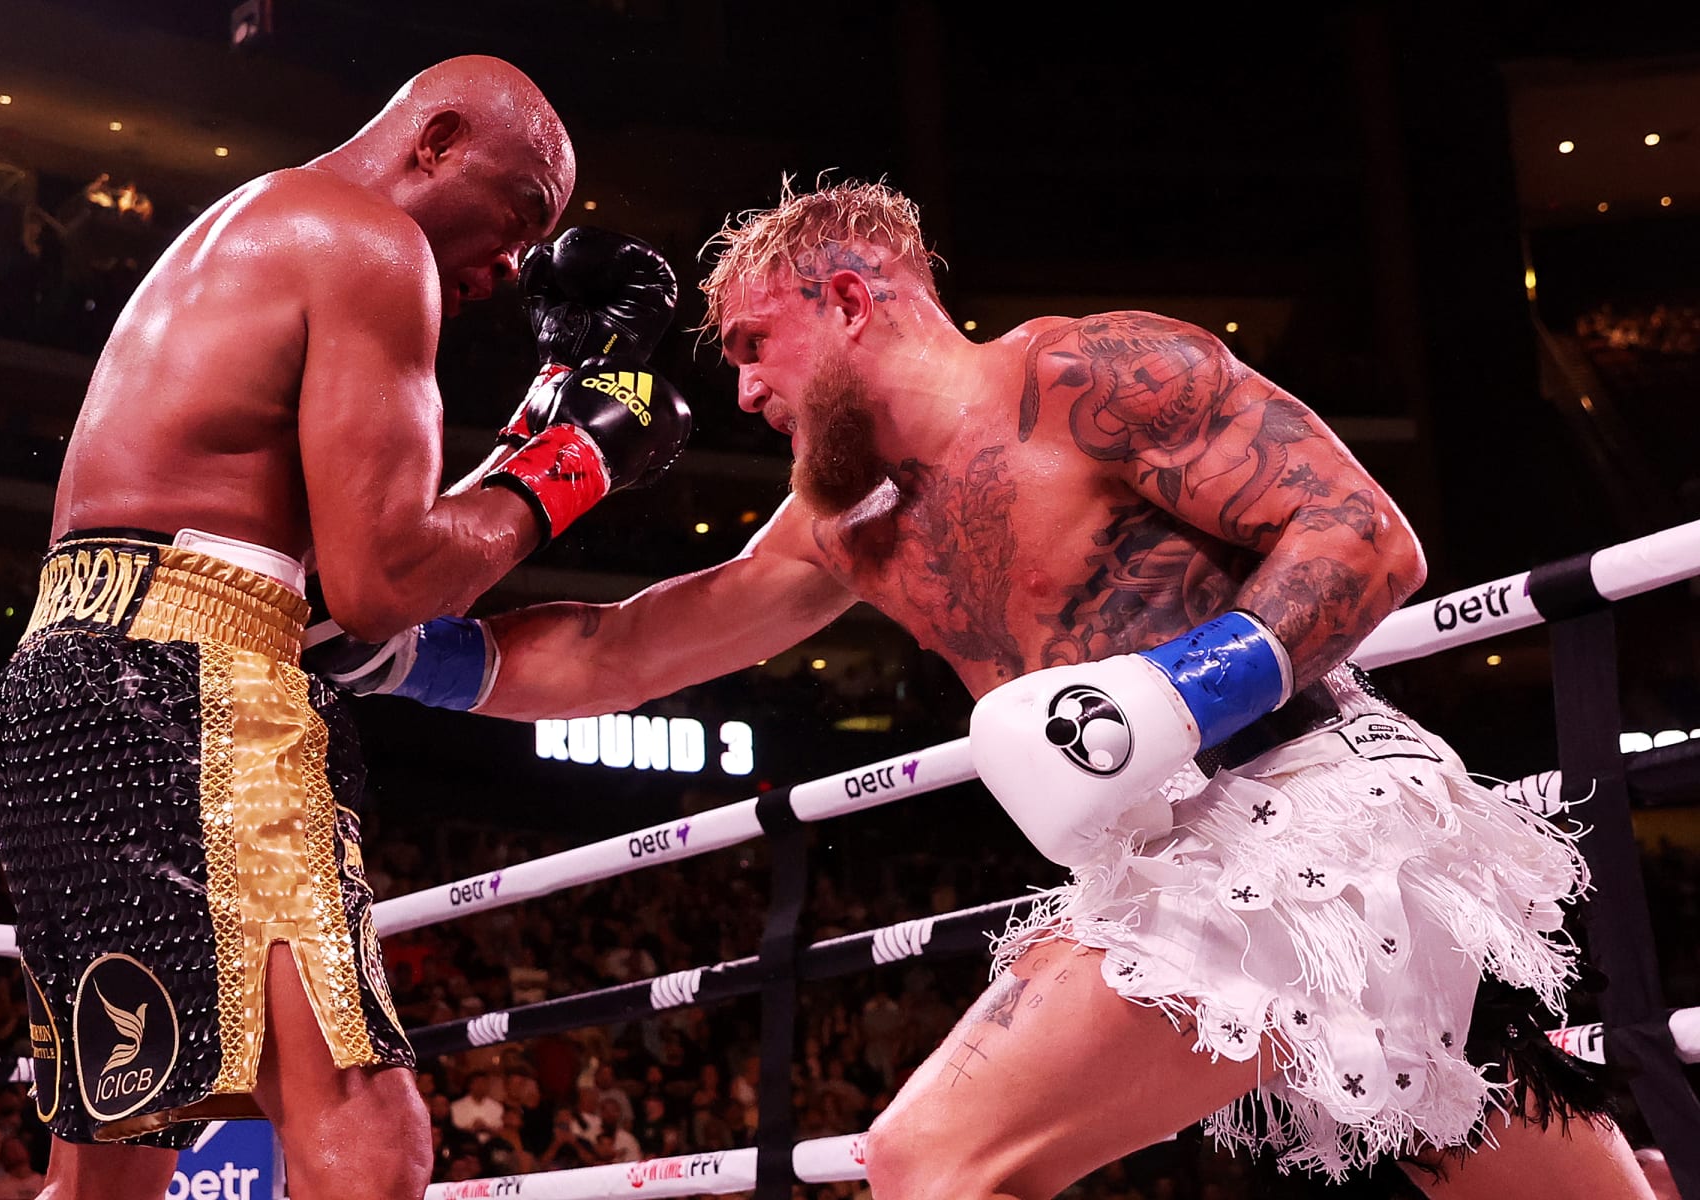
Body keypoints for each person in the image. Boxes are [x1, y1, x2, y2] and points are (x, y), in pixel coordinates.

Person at [323, 178, 1657, 1198]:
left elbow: (1364, 539)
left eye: (752, 345)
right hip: (1175, 862)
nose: (740, 390)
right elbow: (624, 653)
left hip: (1316, 805)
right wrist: (413, 656)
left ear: (848, 297)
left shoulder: (1087, 377)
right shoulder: (843, 520)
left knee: (931, 1160)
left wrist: (1182, 691)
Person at [0, 55, 690, 1200]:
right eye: (519, 214)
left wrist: (546, 410)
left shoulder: (254, 224)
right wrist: (582, 460)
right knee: (368, 1138)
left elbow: (369, 530)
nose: (514, 262)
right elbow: (382, 580)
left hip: (61, 693)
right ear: (438, 139)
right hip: (194, 688)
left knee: (106, 1171)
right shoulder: (371, 241)